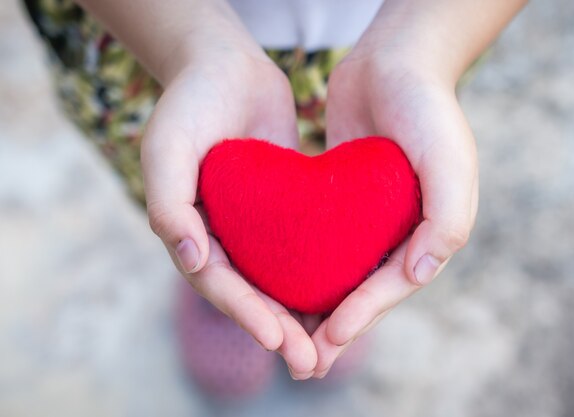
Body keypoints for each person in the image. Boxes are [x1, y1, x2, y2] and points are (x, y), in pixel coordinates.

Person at [23, 0, 527, 397]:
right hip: (149, 30)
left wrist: (424, 51)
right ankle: (228, 278)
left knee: (377, 197)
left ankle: (342, 277)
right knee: (181, 186)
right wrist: (189, 46)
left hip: (413, 26)